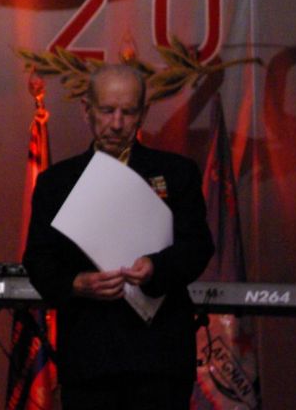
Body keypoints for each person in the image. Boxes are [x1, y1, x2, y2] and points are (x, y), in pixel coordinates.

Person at [22, 63, 214, 410]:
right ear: (86, 110)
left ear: (143, 114)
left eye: (128, 112)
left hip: (160, 358)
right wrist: (77, 283)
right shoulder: (56, 182)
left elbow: (197, 247)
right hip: (90, 357)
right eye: (107, 110)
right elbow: (38, 260)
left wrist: (156, 267)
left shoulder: (176, 173)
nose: (116, 123)